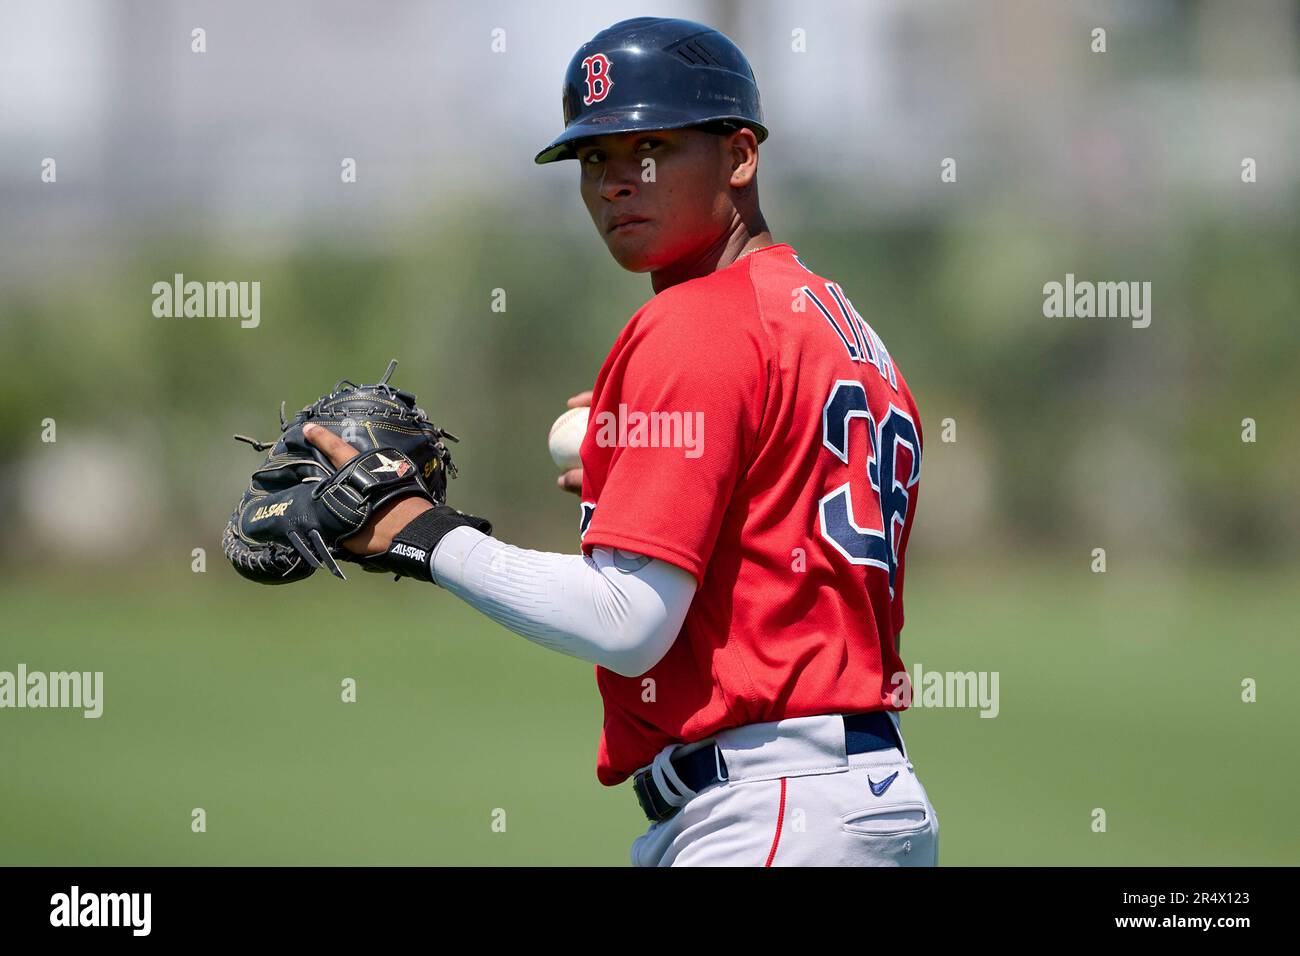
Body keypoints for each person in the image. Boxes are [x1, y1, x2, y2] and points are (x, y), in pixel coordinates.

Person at [304, 16, 939, 866]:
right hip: (867, 801)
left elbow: (627, 620)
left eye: (650, 150)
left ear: (740, 155)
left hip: (770, 813)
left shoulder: (693, 324)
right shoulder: (840, 324)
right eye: (594, 159)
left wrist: (420, 532)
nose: (613, 183)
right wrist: (639, 480)